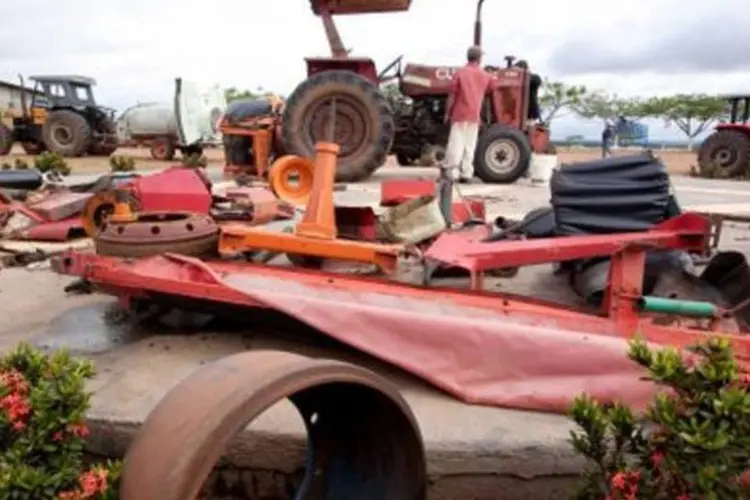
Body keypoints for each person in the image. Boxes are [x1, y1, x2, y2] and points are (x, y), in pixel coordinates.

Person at [443, 45, 494, 183]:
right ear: (479, 58)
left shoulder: (460, 73)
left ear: (468, 57)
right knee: (469, 145)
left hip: (460, 114)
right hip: (474, 116)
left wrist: (447, 113)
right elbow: (491, 89)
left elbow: (452, 95)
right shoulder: (485, 75)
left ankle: (452, 172)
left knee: (456, 143)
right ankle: (466, 173)